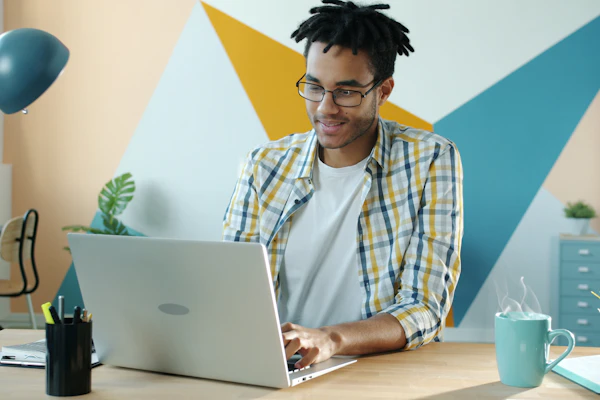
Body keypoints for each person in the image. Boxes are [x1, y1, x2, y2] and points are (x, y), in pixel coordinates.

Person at [223, 0, 463, 369]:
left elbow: (424, 307)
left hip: (382, 372)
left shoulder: (429, 159)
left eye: (346, 92)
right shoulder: (264, 166)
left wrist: (331, 339)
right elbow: (232, 288)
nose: (325, 108)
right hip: (282, 369)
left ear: (383, 91)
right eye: (314, 87)